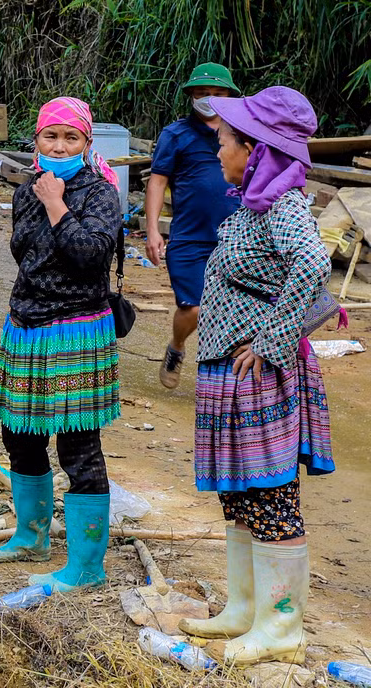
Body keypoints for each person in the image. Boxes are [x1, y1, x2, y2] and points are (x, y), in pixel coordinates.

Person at [177, 87, 334, 667]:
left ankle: (283, 627)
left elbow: (314, 266)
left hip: (260, 377)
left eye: (224, 140)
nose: (218, 149)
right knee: (242, 499)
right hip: (231, 374)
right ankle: (246, 611)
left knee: (271, 499)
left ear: (256, 147)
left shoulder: (284, 206)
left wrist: (271, 339)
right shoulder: (255, 204)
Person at [0, 97, 122, 596]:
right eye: (50, 136)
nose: (59, 146)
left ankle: (86, 565)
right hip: (24, 324)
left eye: (71, 138)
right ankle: (32, 536)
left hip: (77, 329)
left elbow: (90, 255)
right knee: (18, 433)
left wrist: (57, 204)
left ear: (87, 144)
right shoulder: (25, 191)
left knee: (78, 444)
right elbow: (23, 252)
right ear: (35, 140)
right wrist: (41, 199)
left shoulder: (101, 193)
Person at [146, 63, 243, 389]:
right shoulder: (176, 135)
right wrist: (152, 230)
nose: (209, 99)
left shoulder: (240, 133)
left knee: (233, 311)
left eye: (217, 94)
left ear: (229, 96)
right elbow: (157, 182)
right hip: (189, 239)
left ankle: (220, 380)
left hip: (236, 239)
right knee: (194, 308)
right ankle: (176, 346)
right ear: (190, 96)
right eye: (202, 94)